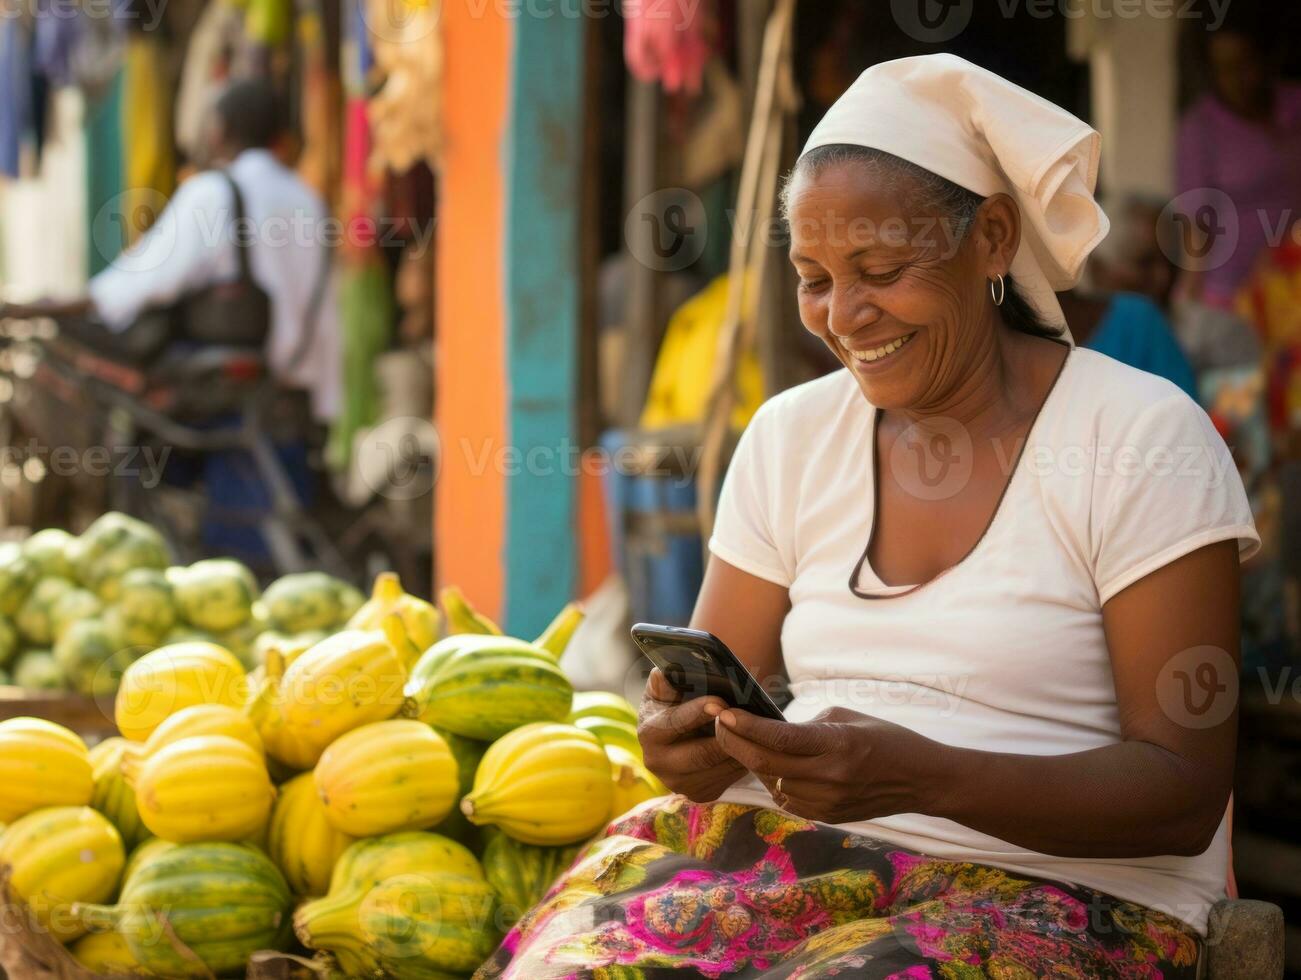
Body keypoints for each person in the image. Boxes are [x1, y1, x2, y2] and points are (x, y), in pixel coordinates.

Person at [481, 56, 1257, 978]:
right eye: (813, 278)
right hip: (787, 860)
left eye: (881, 270)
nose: (844, 317)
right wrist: (684, 746)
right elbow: (719, 700)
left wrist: (924, 776)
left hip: (1064, 893)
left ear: (994, 238)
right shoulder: (789, 437)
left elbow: (1181, 791)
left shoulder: (1140, 437)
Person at [0, 78, 341, 423]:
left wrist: (46, 307)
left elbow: (143, 281)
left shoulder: (213, 193)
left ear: (219, 131)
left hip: (230, 402)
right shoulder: (309, 200)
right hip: (301, 394)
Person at [1174, 20, 1301, 311]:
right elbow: (1196, 221)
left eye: (1245, 63)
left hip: (1293, 282)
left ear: (1266, 60)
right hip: (1231, 293)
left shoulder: (1294, 106)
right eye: (1224, 69)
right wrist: (1189, 294)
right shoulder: (1201, 128)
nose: (1237, 78)